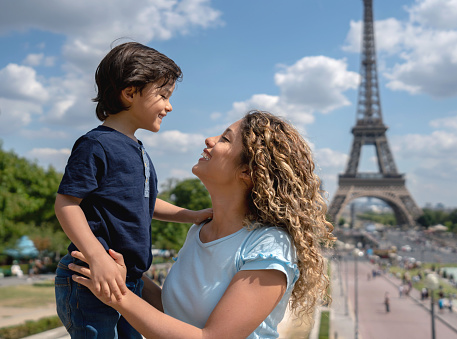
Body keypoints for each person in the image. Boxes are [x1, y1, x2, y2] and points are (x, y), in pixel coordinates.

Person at [68, 110, 336, 339]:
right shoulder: (199, 230)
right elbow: (172, 317)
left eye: (225, 139)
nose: (209, 140)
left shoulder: (268, 244)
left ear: (247, 171)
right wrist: (119, 274)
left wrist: (117, 294)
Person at [54, 42, 213, 339]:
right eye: (163, 95)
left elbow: (145, 203)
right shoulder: (96, 145)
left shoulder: (137, 149)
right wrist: (97, 257)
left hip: (128, 278)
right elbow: (66, 202)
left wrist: (193, 215)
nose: (169, 106)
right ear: (129, 93)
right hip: (93, 277)